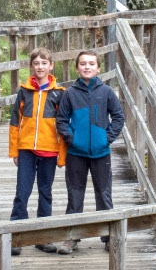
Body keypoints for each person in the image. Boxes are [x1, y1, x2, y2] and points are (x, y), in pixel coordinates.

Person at [54, 49, 125, 254]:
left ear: (98, 68)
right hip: (76, 153)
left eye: (91, 64)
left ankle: (108, 237)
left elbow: (119, 117)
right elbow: (61, 120)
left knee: (104, 194)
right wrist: (72, 139)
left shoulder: (107, 92)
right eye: (83, 63)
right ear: (77, 68)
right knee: (75, 194)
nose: (87, 67)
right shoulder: (70, 94)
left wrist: (106, 138)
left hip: (101, 153)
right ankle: (71, 237)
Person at [8, 47, 66, 255]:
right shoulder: (24, 91)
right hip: (26, 149)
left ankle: (43, 236)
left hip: (49, 149)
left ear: (51, 66)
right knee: (22, 192)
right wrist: (14, 150)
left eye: (44, 63)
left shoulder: (59, 94)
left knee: (45, 191)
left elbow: (63, 125)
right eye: (36, 63)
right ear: (31, 66)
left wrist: (62, 153)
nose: (40, 67)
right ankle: (17, 236)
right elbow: (15, 121)